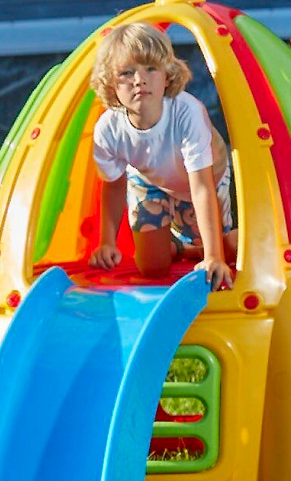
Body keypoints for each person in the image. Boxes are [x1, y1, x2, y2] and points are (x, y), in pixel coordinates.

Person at [87, 21, 237, 290]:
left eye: (150, 69)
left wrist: (214, 257)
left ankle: (202, 247)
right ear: (111, 84)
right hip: (150, 178)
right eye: (126, 73)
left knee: (226, 250)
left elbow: (201, 186)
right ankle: (182, 247)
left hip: (203, 178)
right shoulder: (109, 128)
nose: (139, 80)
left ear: (167, 76)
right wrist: (107, 242)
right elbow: (114, 184)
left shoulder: (187, 113)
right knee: (152, 268)